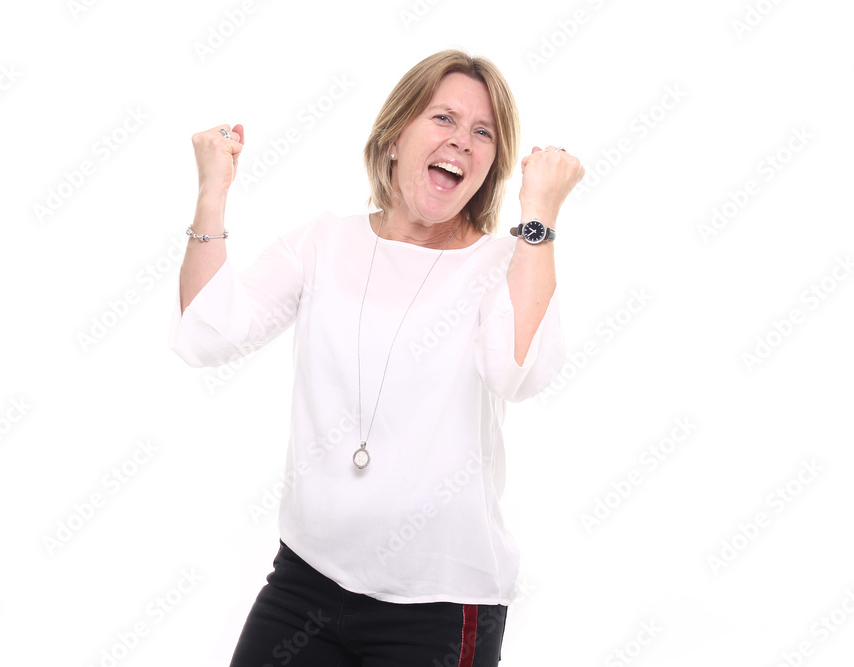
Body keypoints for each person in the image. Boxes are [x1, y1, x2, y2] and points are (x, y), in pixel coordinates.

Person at [170, 49, 584, 666]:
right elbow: (207, 334)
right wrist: (212, 192)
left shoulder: (505, 264)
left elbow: (516, 373)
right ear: (394, 137)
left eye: (483, 133)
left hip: (439, 609)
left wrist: (540, 216)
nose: (462, 141)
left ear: (492, 166)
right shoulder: (322, 242)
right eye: (443, 118)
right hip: (306, 582)